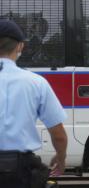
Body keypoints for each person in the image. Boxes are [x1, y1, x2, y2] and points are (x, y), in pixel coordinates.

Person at [0, 19, 68, 188]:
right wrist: (61, 157)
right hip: (20, 173)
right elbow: (58, 134)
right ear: (20, 47)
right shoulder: (36, 83)